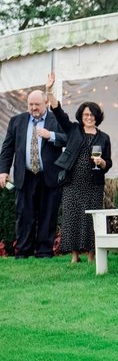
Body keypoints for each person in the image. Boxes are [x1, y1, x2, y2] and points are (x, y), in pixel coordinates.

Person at [48, 77, 110, 263]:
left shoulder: (104, 137)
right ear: (81, 117)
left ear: (97, 117)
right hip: (72, 181)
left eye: (92, 115)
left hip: (93, 183)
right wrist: (49, 90)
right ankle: (75, 256)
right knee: (72, 217)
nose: (89, 118)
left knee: (92, 219)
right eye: (85, 115)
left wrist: (102, 163)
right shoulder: (74, 130)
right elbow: (58, 112)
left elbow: (109, 162)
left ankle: (91, 255)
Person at [0, 86, 66, 258]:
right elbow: (7, 148)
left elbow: (68, 138)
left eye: (37, 104)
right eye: (30, 104)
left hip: (49, 176)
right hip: (25, 175)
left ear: (45, 102)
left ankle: (44, 251)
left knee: (47, 214)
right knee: (24, 215)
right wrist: (3, 171)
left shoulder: (55, 119)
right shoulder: (17, 121)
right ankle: (23, 251)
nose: (33, 108)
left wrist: (50, 135)